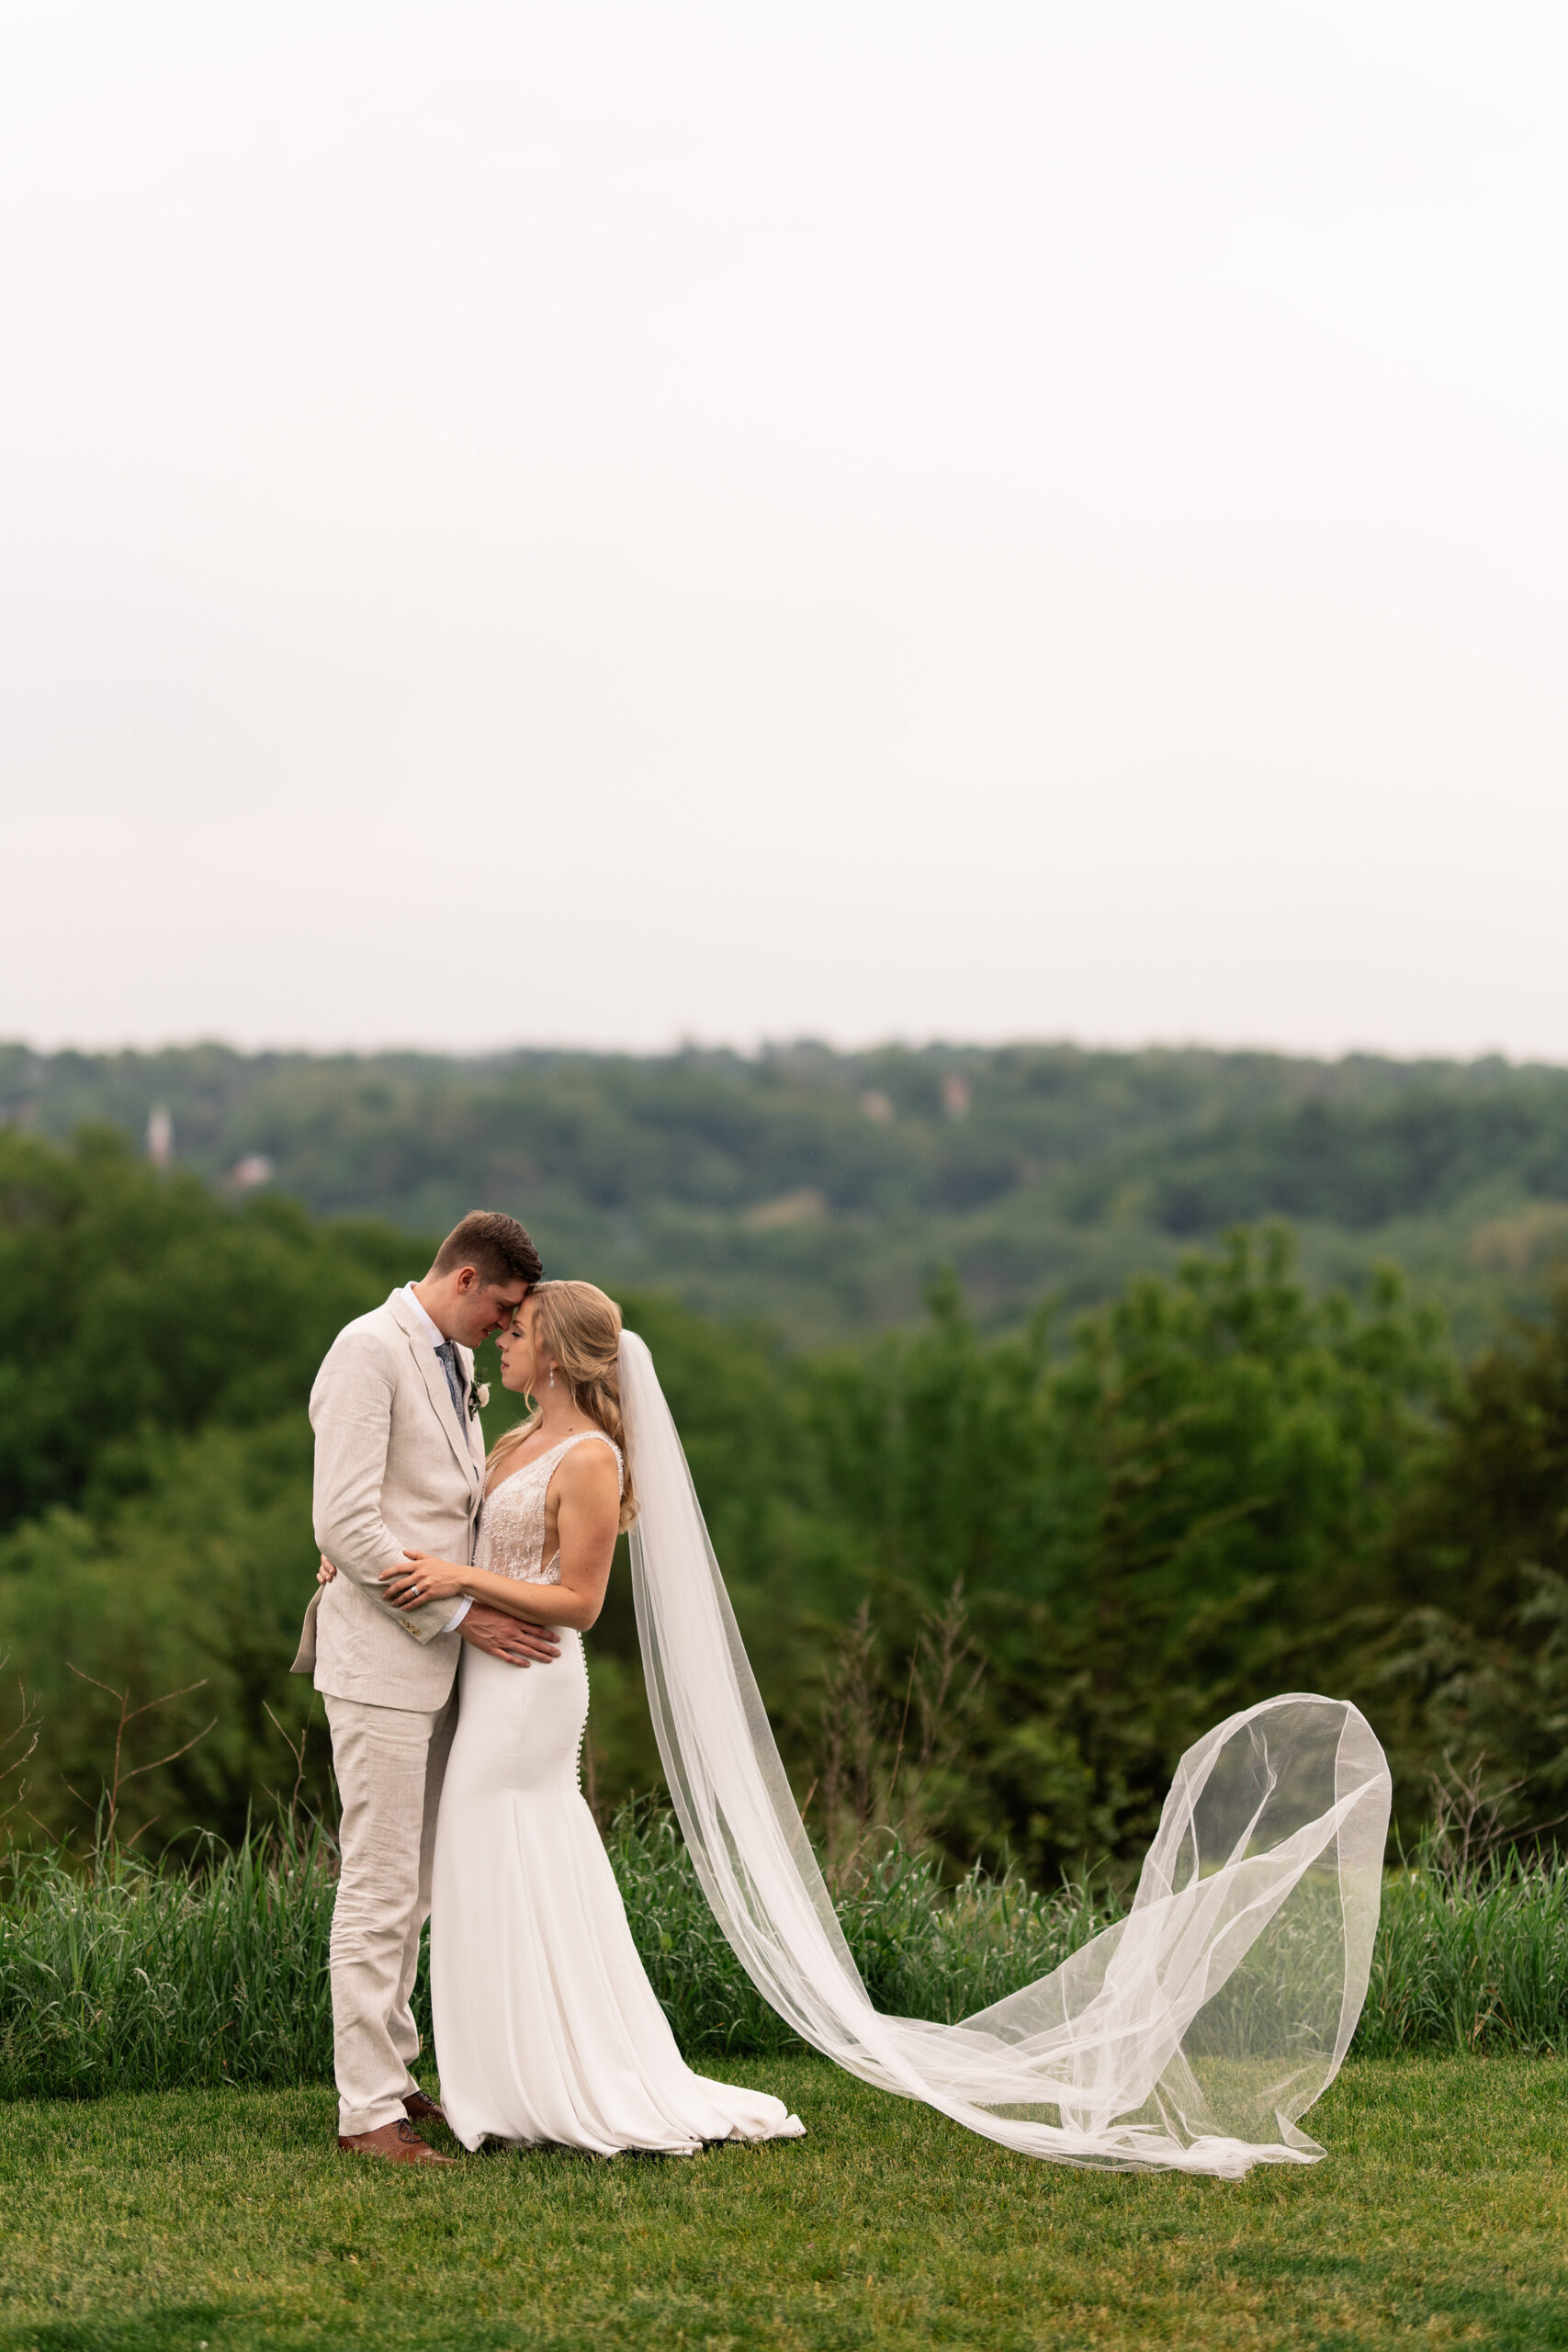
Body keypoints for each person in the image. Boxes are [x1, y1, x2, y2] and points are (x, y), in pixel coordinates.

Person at [334, 1275, 1393, 2178]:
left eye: (518, 1330)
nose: (502, 1339)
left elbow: (579, 1602)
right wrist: (358, 1556)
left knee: (523, 1845)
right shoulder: (515, 1435)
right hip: (487, 1681)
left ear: (557, 1348)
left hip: (533, 1687)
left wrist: (460, 1578)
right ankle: (501, 2074)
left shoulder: (597, 1460)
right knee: (481, 1857)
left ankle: (563, 2073)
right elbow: (437, 1515)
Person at [295, 1209, 561, 2166]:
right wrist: (458, 1614)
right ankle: (364, 2111)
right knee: (375, 1881)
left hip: (442, 1664)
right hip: (384, 1659)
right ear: (464, 1280)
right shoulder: (367, 1350)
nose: (503, 1329)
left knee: (414, 1886)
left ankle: (398, 2075)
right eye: (502, 1309)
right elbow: (345, 1520)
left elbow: (442, 1507)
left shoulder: (450, 1359)